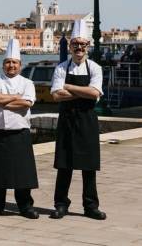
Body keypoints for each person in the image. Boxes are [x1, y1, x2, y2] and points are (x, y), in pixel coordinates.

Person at [50, 19, 106, 220]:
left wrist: (70, 88)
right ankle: (60, 204)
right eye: (75, 44)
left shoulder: (95, 68)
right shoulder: (61, 68)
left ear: (87, 46)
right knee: (64, 165)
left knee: (89, 167)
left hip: (87, 121)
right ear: (70, 46)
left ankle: (91, 206)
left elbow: (94, 93)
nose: (79, 47)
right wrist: (85, 92)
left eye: (83, 44)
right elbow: (56, 96)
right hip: (66, 120)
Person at [0, 39, 39, 219]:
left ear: (20, 65)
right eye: (8, 62)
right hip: (0, 131)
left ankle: (25, 206)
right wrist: (15, 97)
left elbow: (26, 104)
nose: (11, 65)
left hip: (20, 132)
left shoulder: (27, 83)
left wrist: (4, 101)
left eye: (14, 62)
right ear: (3, 65)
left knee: (23, 172)